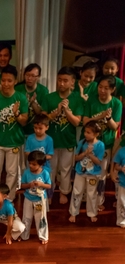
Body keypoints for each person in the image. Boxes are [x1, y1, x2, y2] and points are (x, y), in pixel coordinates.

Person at [0, 65, 29, 201]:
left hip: (14, 142)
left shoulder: (21, 98)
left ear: (15, 81)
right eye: (3, 80)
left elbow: (24, 121)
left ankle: (8, 199)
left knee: (12, 173)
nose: (6, 84)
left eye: (9, 81)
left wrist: (16, 114)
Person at [41, 66, 84, 204]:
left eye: (65, 80)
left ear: (72, 82)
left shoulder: (77, 99)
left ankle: (64, 192)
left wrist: (67, 112)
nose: (61, 83)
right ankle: (49, 193)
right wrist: (57, 111)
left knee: (66, 169)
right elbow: (43, 120)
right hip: (50, 141)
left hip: (68, 141)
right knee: (50, 169)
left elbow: (77, 122)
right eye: (59, 80)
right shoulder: (49, 98)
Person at [83, 75, 122, 210]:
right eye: (100, 87)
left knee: (101, 173)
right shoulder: (92, 100)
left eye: (106, 88)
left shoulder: (116, 103)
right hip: (89, 143)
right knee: (87, 170)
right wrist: (100, 116)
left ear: (112, 89)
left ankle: (98, 200)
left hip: (106, 144)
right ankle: (86, 197)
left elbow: (115, 127)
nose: (102, 90)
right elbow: (85, 122)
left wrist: (109, 118)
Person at [69, 121, 105, 223]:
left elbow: (98, 161)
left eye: (89, 132)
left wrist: (90, 155)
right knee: (77, 192)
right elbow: (76, 158)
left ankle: (92, 213)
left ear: (96, 134)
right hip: (80, 172)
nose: (85, 134)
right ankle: (73, 212)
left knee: (91, 194)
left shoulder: (100, 145)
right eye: (85, 131)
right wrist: (85, 153)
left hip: (93, 174)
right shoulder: (82, 142)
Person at [20, 150, 51, 244]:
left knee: (40, 218)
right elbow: (22, 185)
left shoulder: (45, 173)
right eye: (29, 163)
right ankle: (24, 235)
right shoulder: (26, 173)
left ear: (41, 164)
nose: (31, 166)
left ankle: (43, 236)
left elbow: (49, 186)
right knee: (26, 217)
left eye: (34, 164)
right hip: (28, 198)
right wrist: (29, 185)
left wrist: (41, 184)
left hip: (40, 200)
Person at [16, 64, 49, 137]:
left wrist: (33, 103)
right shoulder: (18, 89)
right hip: (18, 131)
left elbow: (43, 115)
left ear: (38, 77)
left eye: (33, 76)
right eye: (27, 75)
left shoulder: (43, 91)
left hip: (36, 132)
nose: (29, 78)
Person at [112, 143, 125, 227]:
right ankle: (121, 220)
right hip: (123, 181)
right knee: (122, 201)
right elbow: (116, 166)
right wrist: (121, 168)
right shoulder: (121, 151)